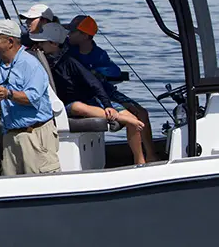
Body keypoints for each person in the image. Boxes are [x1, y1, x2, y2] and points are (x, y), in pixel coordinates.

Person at [31, 22, 147, 166]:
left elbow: (93, 83)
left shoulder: (70, 61)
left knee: (134, 121)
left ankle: (140, 160)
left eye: (41, 43)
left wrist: (107, 105)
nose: (38, 46)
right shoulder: (37, 59)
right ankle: (120, 117)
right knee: (77, 107)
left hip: (89, 99)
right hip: (69, 105)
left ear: (54, 44)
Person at [65, 15, 158, 162]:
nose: (68, 34)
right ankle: (139, 160)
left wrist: (98, 72)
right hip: (91, 95)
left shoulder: (99, 54)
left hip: (108, 91)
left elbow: (114, 71)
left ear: (85, 36)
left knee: (142, 112)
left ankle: (151, 154)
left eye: (72, 31)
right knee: (131, 118)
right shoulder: (68, 51)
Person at [0, 19, 60, 175]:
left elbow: (33, 98)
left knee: (42, 185)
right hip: (10, 136)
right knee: (9, 186)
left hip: (35, 135)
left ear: (10, 41)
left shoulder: (30, 64)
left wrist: (8, 94)